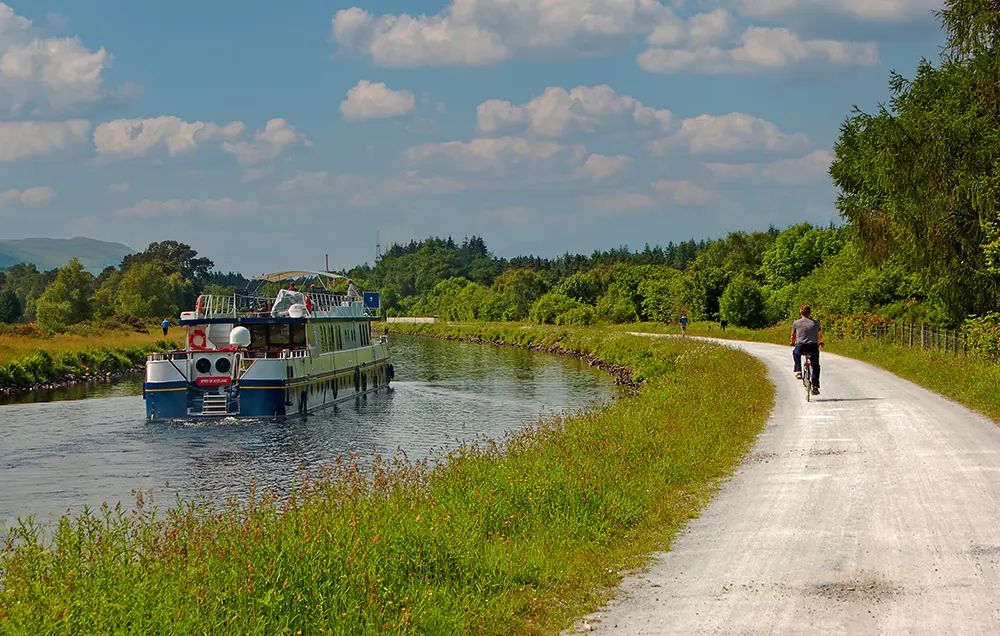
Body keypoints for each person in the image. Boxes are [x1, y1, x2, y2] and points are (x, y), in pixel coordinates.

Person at [791, 304, 823, 395]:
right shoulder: (816, 323)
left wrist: (792, 342)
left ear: (800, 312)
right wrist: (820, 342)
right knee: (815, 366)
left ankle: (798, 371)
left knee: (795, 353)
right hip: (813, 346)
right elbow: (820, 335)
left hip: (802, 346)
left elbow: (793, 336)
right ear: (809, 313)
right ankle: (815, 387)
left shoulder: (796, 323)